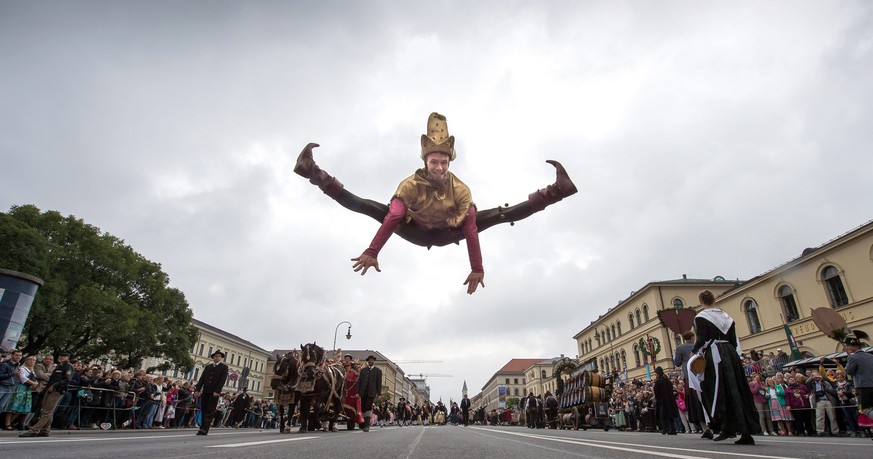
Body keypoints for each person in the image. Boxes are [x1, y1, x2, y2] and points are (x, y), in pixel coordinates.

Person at [295, 112, 578, 295]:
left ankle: (557, 191)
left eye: (444, 162)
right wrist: (372, 250)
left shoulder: (461, 190)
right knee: (369, 206)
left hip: (448, 232)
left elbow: (470, 229)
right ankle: (312, 171)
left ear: (449, 162)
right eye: (434, 162)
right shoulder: (410, 185)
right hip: (414, 230)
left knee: (499, 214)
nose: (440, 168)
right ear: (425, 161)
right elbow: (393, 218)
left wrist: (477, 267)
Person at [691, 290, 760, 445]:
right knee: (737, 390)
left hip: (716, 355)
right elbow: (733, 340)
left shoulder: (701, 317)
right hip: (730, 353)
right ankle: (739, 429)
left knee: (716, 390)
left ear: (701, 301)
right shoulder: (727, 317)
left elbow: (701, 338)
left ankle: (725, 425)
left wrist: (693, 352)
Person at [20, 351, 74, 437]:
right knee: (46, 410)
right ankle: (45, 430)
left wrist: (54, 385)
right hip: (49, 389)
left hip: (57, 390)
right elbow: (51, 378)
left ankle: (34, 430)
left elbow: (67, 379)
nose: (62, 357)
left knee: (47, 411)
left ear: (68, 357)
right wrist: (46, 388)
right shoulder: (59, 366)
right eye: (61, 355)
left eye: (64, 356)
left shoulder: (68, 366)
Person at [843, 334, 873, 439]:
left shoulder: (853, 357)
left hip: (863, 387)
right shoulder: (870, 356)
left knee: (863, 409)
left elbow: (848, 371)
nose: (847, 348)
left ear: (854, 346)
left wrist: (849, 358)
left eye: (848, 346)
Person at [194, 350, 229, 436]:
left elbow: (222, 380)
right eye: (216, 356)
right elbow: (202, 378)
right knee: (204, 409)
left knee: (210, 410)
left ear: (221, 358)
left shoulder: (224, 367)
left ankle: (205, 429)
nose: (217, 357)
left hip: (214, 392)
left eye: (219, 356)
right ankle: (202, 427)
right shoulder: (208, 367)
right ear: (213, 357)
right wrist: (197, 389)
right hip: (206, 390)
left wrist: (217, 391)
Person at [357, 355, 382, 432]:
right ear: (368, 361)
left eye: (372, 360)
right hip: (363, 392)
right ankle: (364, 423)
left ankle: (367, 425)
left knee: (368, 406)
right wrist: (358, 392)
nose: (371, 361)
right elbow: (359, 382)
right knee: (363, 407)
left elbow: (379, 383)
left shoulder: (378, 371)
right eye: (369, 360)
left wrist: (379, 393)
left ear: (374, 361)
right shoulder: (363, 370)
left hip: (372, 392)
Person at [341, 354, 364, 430]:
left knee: (352, 407)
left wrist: (349, 381)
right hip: (343, 392)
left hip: (352, 392)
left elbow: (356, 381)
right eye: (345, 366)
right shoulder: (342, 371)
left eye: (348, 366)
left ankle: (352, 422)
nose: (346, 367)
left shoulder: (354, 373)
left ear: (350, 366)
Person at [653, 367, 678, 435]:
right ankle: (673, 429)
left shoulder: (658, 381)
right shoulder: (668, 381)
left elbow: (656, 392)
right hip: (670, 400)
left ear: (658, 373)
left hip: (662, 402)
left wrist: (658, 399)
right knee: (671, 415)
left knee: (663, 416)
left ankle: (666, 429)